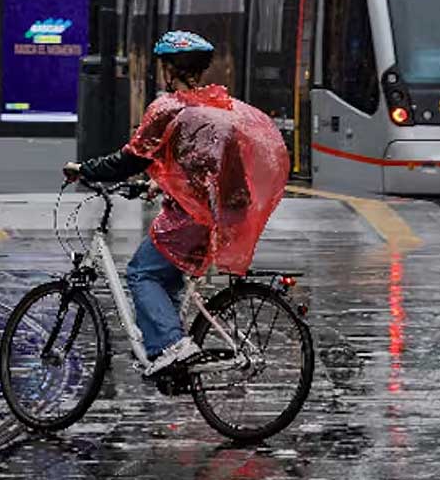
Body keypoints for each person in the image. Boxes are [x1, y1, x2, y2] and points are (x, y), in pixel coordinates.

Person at [64, 30, 288, 377]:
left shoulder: (170, 108)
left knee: (141, 273)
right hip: (218, 213)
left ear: (169, 68)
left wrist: (85, 169)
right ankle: (174, 357)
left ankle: (171, 346)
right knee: (163, 277)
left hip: (191, 219)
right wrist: (161, 182)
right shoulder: (219, 109)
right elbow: (204, 162)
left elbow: (132, 158)